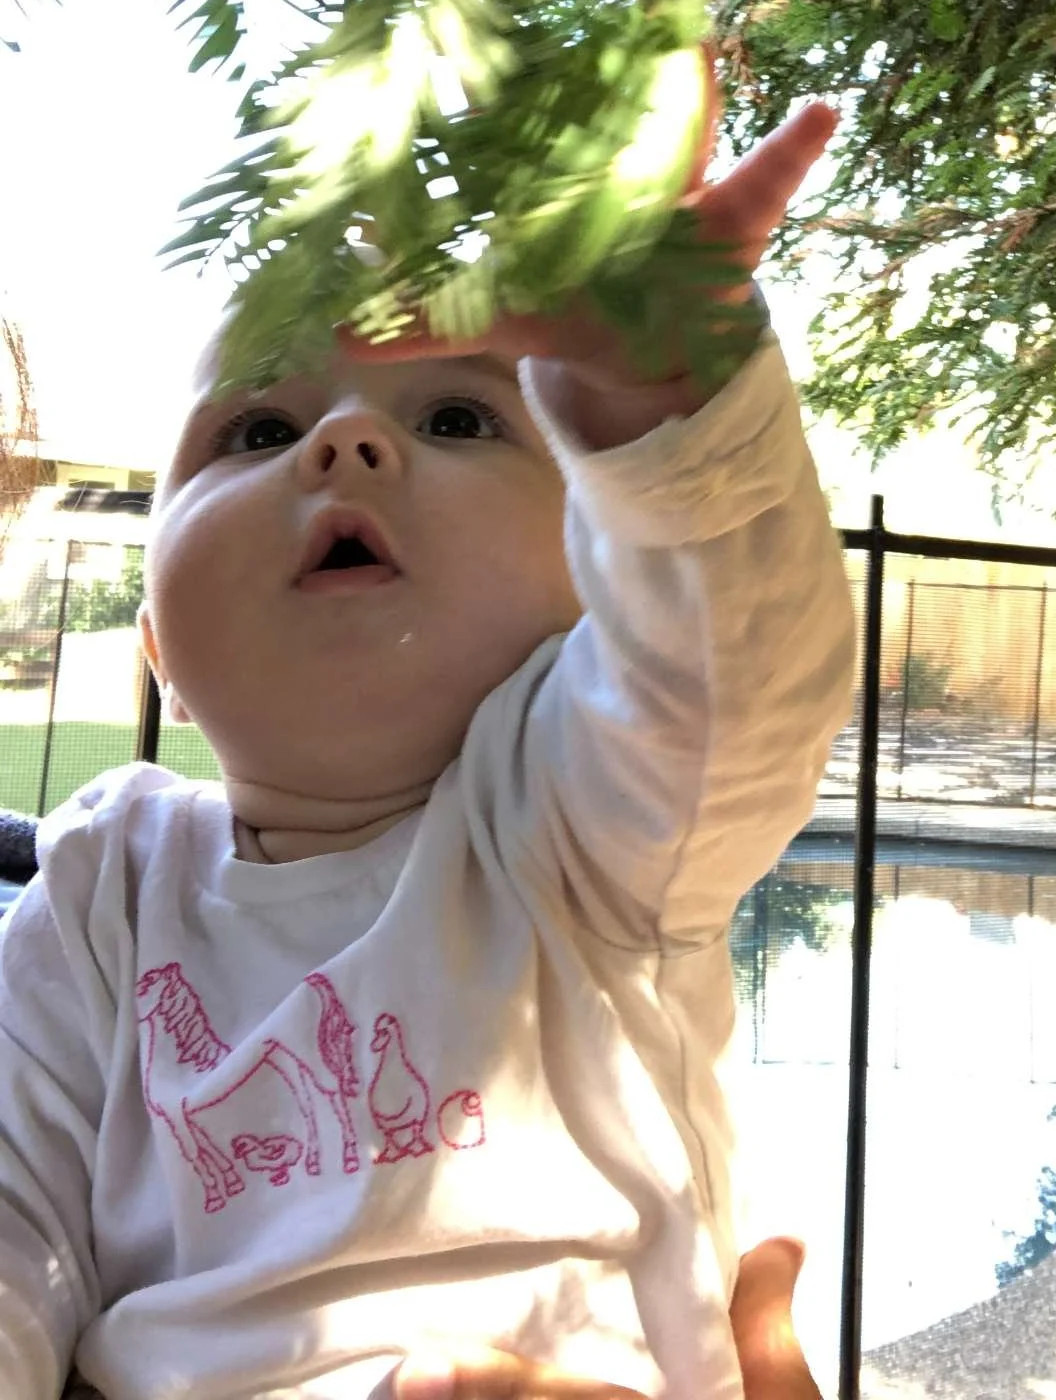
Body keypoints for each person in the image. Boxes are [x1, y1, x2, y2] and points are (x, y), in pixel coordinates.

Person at [0, 88, 855, 1399]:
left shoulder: (577, 822)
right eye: (259, 430)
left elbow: (727, 679)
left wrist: (669, 422)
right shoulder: (99, 888)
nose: (345, 444)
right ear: (159, 645)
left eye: (456, 419)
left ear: (595, 602)